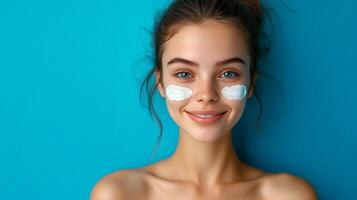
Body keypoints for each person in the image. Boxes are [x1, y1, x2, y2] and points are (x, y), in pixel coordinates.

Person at [90, 0, 318, 199]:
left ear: (250, 83)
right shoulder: (119, 194)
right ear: (160, 82)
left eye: (228, 73)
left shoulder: (288, 196)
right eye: (184, 74)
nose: (207, 95)